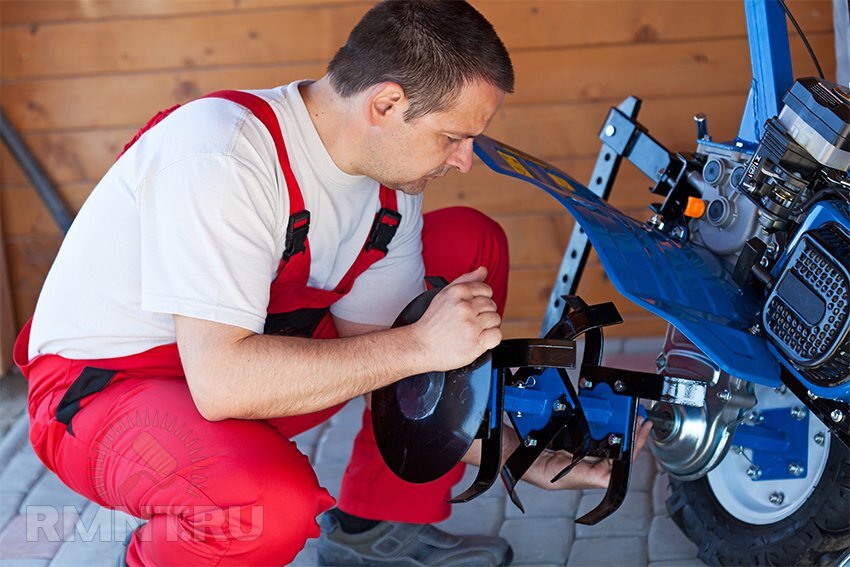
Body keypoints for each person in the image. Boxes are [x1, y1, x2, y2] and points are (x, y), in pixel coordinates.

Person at [14, 1, 651, 565]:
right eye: (453, 137)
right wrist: (421, 346)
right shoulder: (223, 155)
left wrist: (517, 455)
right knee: (265, 507)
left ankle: (375, 528)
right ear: (386, 104)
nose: (464, 159)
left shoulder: (391, 193)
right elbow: (225, 384)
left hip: (242, 364)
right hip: (110, 393)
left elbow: (406, 381)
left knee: (467, 246)